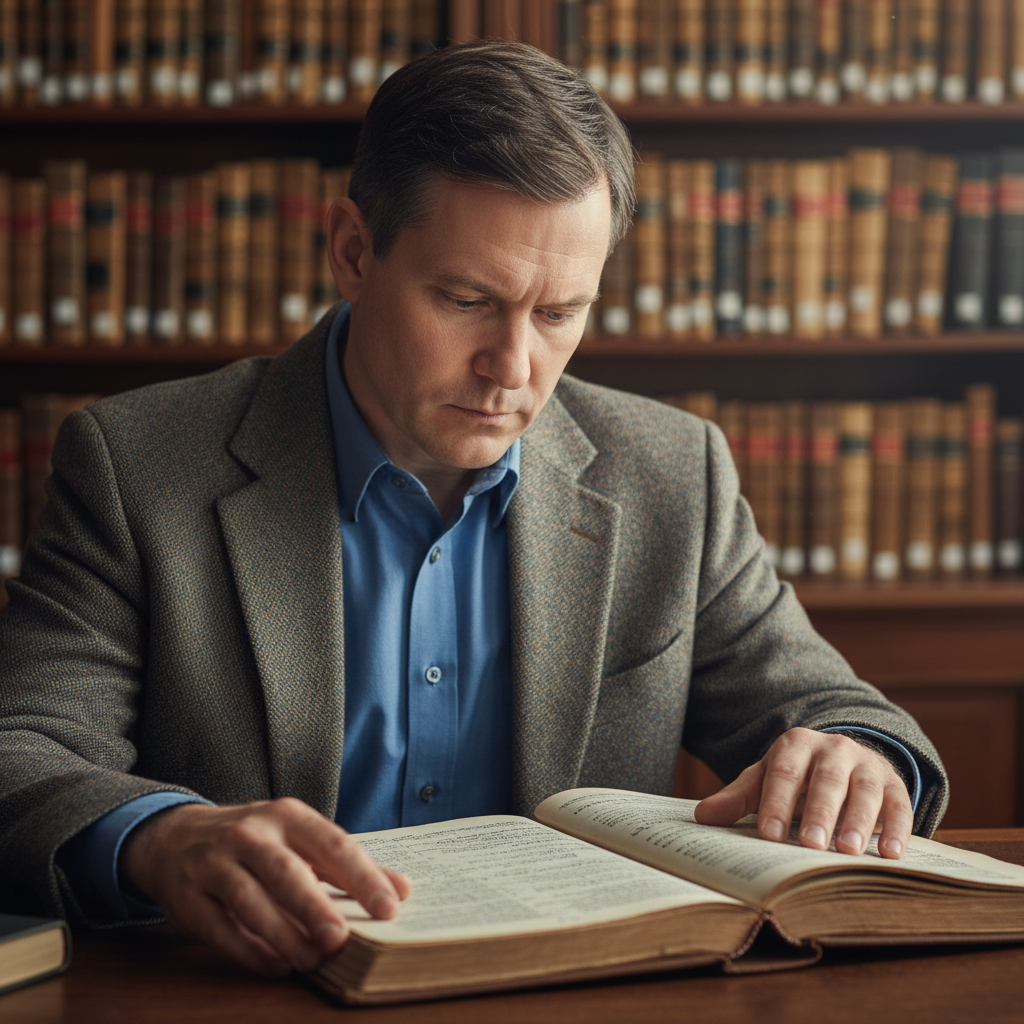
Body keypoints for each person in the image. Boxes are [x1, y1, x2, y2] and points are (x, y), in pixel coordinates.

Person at [0, 41, 946, 980]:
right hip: (259, 997)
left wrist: (857, 758)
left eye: (558, 314)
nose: (513, 369)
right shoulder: (137, 465)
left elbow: (834, 710)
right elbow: (23, 749)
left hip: (580, 994)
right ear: (353, 251)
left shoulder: (671, 473)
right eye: (465, 299)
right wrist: (163, 839)